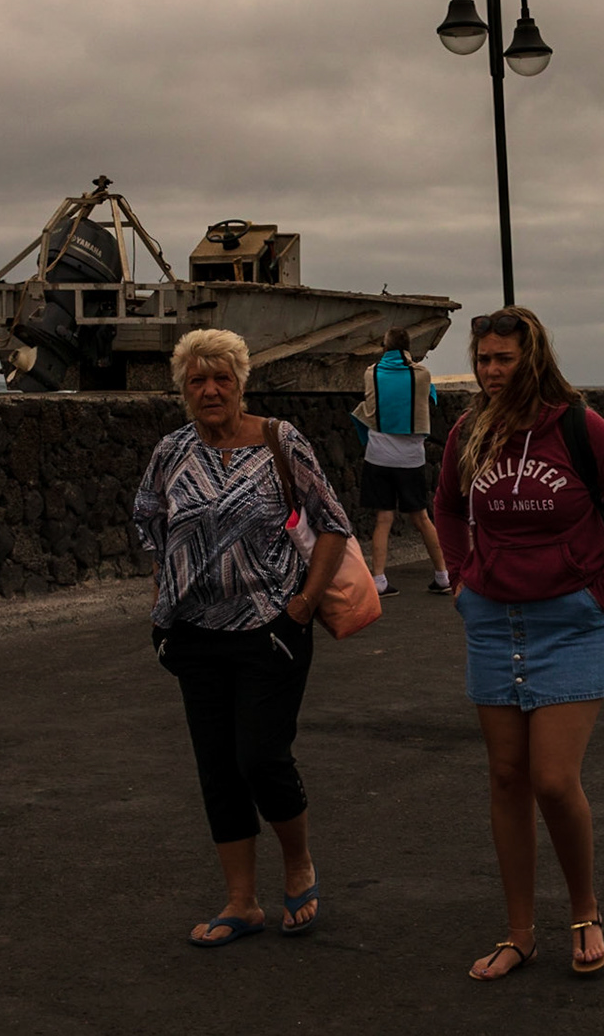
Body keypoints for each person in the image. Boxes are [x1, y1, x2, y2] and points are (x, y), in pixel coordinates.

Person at [432, 307, 604, 980]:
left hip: (568, 622)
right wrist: (459, 575)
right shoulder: (468, 432)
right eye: (482, 358)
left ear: (531, 360)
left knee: (552, 779)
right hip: (492, 620)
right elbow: (448, 507)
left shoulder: (577, 426)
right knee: (507, 778)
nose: (489, 371)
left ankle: (583, 909)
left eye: (502, 359)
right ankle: (519, 933)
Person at [132, 329, 350, 947]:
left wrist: (302, 607)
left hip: (270, 629)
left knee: (261, 757)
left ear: (240, 383)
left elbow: (333, 523)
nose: (209, 390)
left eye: (220, 378)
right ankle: (241, 902)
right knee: (218, 768)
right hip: (192, 633)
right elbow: (152, 526)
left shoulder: (280, 440)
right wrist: (162, 600)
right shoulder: (171, 452)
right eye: (197, 380)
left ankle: (299, 863)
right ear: (182, 389)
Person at [352, 326, 451, 597]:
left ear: (385, 348)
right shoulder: (421, 375)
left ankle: (379, 581)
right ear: (408, 348)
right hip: (411, 460)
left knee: (383, 519)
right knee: (421, 517)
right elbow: (428, 396)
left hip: (377, 456)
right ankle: (443, 576)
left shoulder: (371, 373)